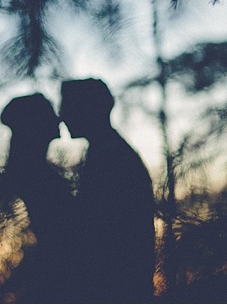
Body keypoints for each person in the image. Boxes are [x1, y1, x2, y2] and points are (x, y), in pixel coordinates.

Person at [59, 79, 155, 303]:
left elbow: (98, 232)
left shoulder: (110, 158)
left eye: (67, 106)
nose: (62, 116)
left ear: (88, 109)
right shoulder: (108, 152)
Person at [0, 93, 76, 302]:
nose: (58, 119)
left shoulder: (31, 174)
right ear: (35, 125)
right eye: (50, 114)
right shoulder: (38, 178)